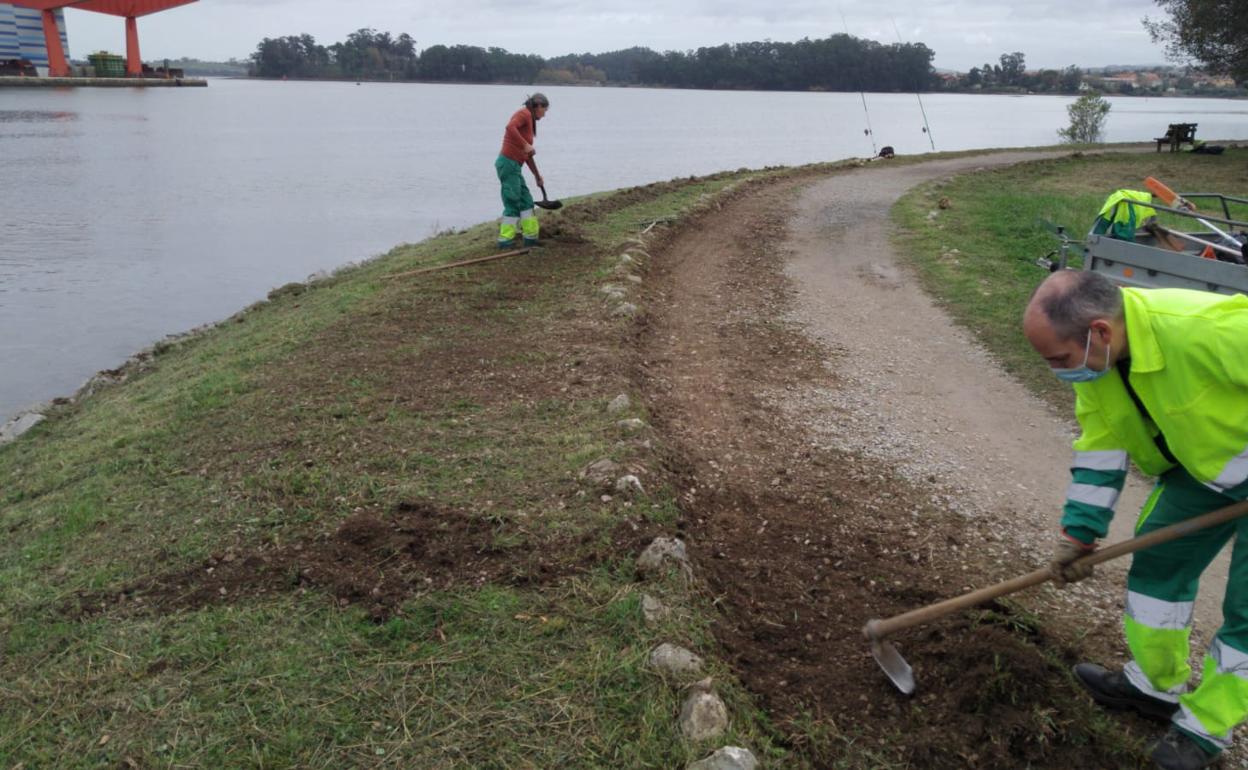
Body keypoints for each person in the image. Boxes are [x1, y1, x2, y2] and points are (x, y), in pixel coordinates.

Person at [1023, 269, 1248, 770]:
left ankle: (1206, 728)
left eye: (1059, 359)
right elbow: (1100, 449)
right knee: (1156, 569)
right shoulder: (1100, 367)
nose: (1057, 371)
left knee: (1247, 613)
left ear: (1100, 331)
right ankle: (1156, 686)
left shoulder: (1205, 331)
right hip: (1204, 471)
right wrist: (1079, 535)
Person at [495, 93, 549, 249]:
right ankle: (505, 241)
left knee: (526, 201)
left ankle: (531, 240)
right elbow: (510, 127)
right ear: (538, 106)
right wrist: (525, 145)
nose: (544, 115)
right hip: (507, 164)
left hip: (515, 166)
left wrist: (537, 176)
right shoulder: (524, 113)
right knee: (512, 201)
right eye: (544, 110)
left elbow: (528, 156)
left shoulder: (529, 122)